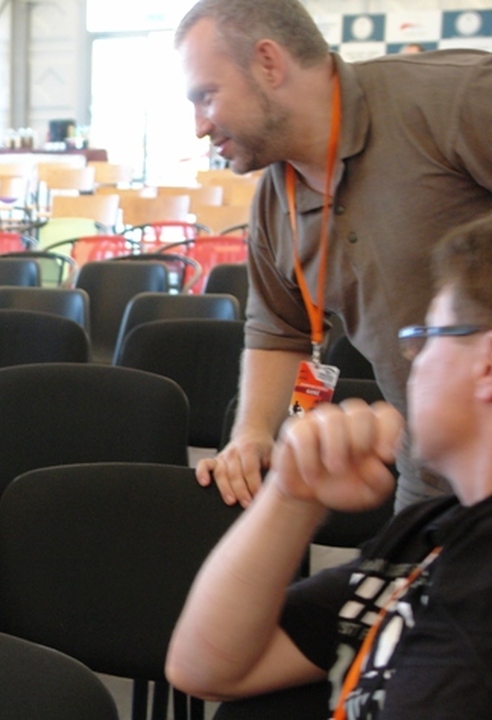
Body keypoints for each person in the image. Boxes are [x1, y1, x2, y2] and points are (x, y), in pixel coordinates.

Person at [166, 213, 492, 718]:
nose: (413, 358)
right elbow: (205, 669)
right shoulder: (427, 537)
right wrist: (292, 494)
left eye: (429, 335)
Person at [175, 0, 492, 512]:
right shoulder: (274, 199)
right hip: (431, 482)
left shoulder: (456, 98)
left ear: (269, 63)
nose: (199, 127)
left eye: (206, 96)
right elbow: (280, 332)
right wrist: (252, 433)